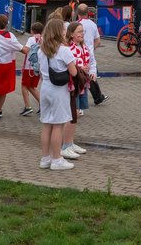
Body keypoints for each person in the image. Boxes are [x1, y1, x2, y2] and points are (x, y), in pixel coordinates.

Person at [38, 19, 79, 171]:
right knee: (58, 125)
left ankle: (45, 158)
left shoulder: (40, 50)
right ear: (58, 32)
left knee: (46, 124)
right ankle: (57, 159)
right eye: (63, 30)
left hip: (46, 87)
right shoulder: (64, 51)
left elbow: (41, 72)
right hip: (59, 90)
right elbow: (74, 72)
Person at [63, 21, 91, 159]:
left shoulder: (83, 46)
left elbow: (89, 61)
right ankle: (65, 145)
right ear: (71, 34)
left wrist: (90, 71)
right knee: (72, 114)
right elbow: (71, 65)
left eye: (82, 32)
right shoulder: (69, 48)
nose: (82, 34)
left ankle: (70, 142)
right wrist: (81, 69)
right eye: (79, 32)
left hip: (82, 83)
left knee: (77, 114)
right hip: (74, 84)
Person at [76, 4, 108, 105]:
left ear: (77, 13)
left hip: (78, 53)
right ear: (87, 12)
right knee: (90, 75)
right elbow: (98, 41)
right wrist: (91, 49)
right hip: (89, 53)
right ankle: (98, 97)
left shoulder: (76, 24)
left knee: (81, 75)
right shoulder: (93, 25)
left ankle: (80, 101)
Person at [20, 22, 44, 116]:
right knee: (31, 86)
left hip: (29, 66)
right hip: (38, 66)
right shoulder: (43, 39)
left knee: (24, 85)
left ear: (32, 31)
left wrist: (17, 47)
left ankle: (27, 106)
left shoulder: (31, 39)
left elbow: (26, 50)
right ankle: (42, 105)